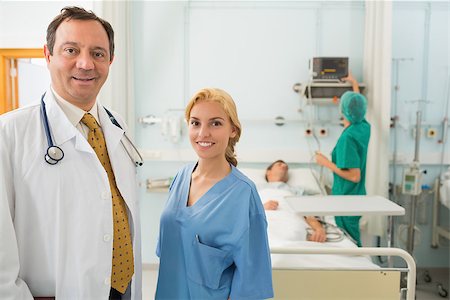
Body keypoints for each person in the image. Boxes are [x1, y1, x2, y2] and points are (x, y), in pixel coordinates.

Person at [0, 7, 141, 299]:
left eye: (98, 53)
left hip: (122, 288)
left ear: (111, 60)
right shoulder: (9, 134)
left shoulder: (116, 125)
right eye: (71, 50)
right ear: (48, 55)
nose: (86, 64)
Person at [155, 88, 273, 299]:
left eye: (215, 123)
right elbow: (169, 250)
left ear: (233, 130)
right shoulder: (182, 176)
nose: (203, 133)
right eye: (195, 123)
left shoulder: (244, 194)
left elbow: (252, 279)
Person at [315, 73, 370, 247]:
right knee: (351, 240)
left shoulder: (348, 139)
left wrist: (326, 163)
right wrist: (354, 83)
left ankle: (359, 273)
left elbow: (354, 176)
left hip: (347, 199)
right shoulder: (363, 127)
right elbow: (357, 106)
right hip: (356, 197)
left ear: (343, 111)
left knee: (350, 243)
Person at [261, 160, 327, 243]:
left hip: (290, 220)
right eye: (279, 164)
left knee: (293, 234)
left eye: (286, 167)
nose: (284, 166)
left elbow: (308, 213)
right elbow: (243, 210)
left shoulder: (298, 191)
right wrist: (262, 207)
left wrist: (319, 229)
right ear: (268, 172)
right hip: (264, 217)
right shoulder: (255, 188)